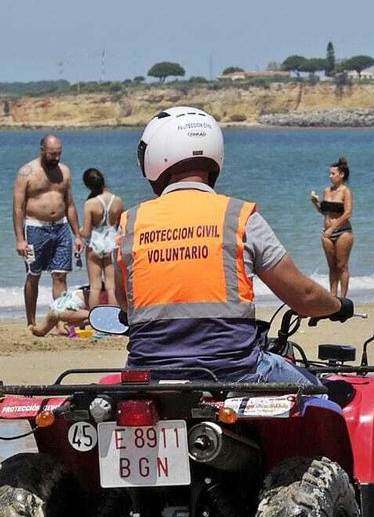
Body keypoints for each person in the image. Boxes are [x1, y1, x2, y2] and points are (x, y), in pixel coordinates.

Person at [115, 107, 354, 387]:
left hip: (148, 376)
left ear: (154, 158)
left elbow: (125, 302)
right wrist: (338, 306)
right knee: (325, 398)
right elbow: (304, 295)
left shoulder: (130, 223)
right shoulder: (238, 216)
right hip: (235, 372)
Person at [12, 134, 81, 326]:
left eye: (59, 153)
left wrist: (77, 235)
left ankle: (59, 322)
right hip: (35, 229)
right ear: (42, 150)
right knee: (34, 275)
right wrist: (19, 239)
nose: (56, 158)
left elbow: (70, 204)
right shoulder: (27, 172)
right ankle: (31, 321)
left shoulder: (64, 171)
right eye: (52, 154)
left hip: (61, 228)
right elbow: (18, 207)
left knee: (60, 275)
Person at [309, 156, 355, 298]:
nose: (330, 176)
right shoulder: (327, 191)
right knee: (332, 267)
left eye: (333, 174)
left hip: (342, 232)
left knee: (342, 266)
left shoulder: (345, 191)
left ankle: (343, 298)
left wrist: (332, 229)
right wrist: (316, 203)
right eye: (329, 174)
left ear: (341, 175)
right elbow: (325, 212)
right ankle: (332, 297)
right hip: (327, 233)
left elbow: (347, 213)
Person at [79, 167, 124, 307]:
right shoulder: (118, 201)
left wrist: (78, 231)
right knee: (111, 286)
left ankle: (94, 320)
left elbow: (86, 232)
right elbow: (122, 224)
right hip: (112, 242)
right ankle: (113, 322)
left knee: (95, 286)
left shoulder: (90, 204)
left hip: (95, 244)